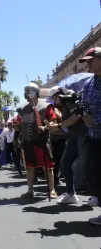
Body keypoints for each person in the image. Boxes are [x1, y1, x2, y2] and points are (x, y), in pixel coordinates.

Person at [14, 82, 57, 199]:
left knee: (48, 166)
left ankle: (52, 189)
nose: (26, 94)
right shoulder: (22, 109)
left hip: (42, 140)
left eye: (29, 91)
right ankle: (30, 190)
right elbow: (19, 124)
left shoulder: (45, 106)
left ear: (35, 92)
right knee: (29, 166)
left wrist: (46, 126)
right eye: (26, 92)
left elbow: (53, 120)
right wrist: (16, 127)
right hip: (28, 141)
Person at [76, 47, 101, 225]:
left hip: (96, 128)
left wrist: (94, 120)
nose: (88, 64)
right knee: (94, 175)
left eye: (90, 60)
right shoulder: (88, 83)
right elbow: (84, 106)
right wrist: (80, 109)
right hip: (95, 137)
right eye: (85, 61)